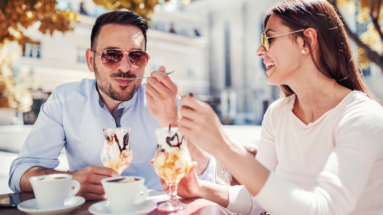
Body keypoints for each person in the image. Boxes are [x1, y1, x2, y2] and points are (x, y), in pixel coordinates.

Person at [172, 0, 383, 214]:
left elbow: (324, 209)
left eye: (268, 38)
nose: (259, 51)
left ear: (306, 41)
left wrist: (224, 146)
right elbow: (258, 200)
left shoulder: (363, 116)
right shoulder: (277, 114)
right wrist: (199, 188)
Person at [9, 10, 216, 200]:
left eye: (135, 56)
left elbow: (207, 177)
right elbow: (20, 173)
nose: (125, 67)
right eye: (112, 55)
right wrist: (68, 182)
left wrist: (172, 121)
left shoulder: (165, 101)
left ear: (145, 61)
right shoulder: (65, 100)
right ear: (91, 60)